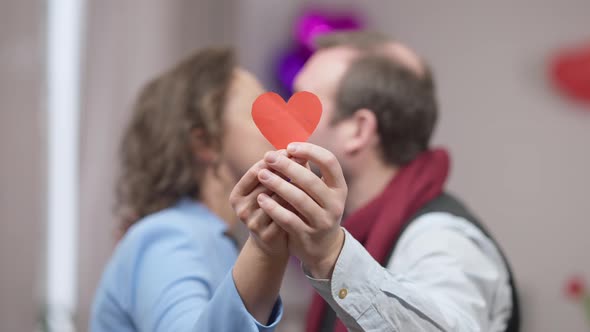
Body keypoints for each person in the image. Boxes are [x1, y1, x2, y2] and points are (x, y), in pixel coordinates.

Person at [230, 31, 520, 332]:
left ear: (359, 130)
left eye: (302, 100)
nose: (286, 116)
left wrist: (330, 255)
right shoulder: (357, 229)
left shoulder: (444, 240)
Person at [90, 48, 288, 331]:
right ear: (204, 142)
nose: (281, 127)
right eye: (261, 113)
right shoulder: (169, 236)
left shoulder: (207, 239)